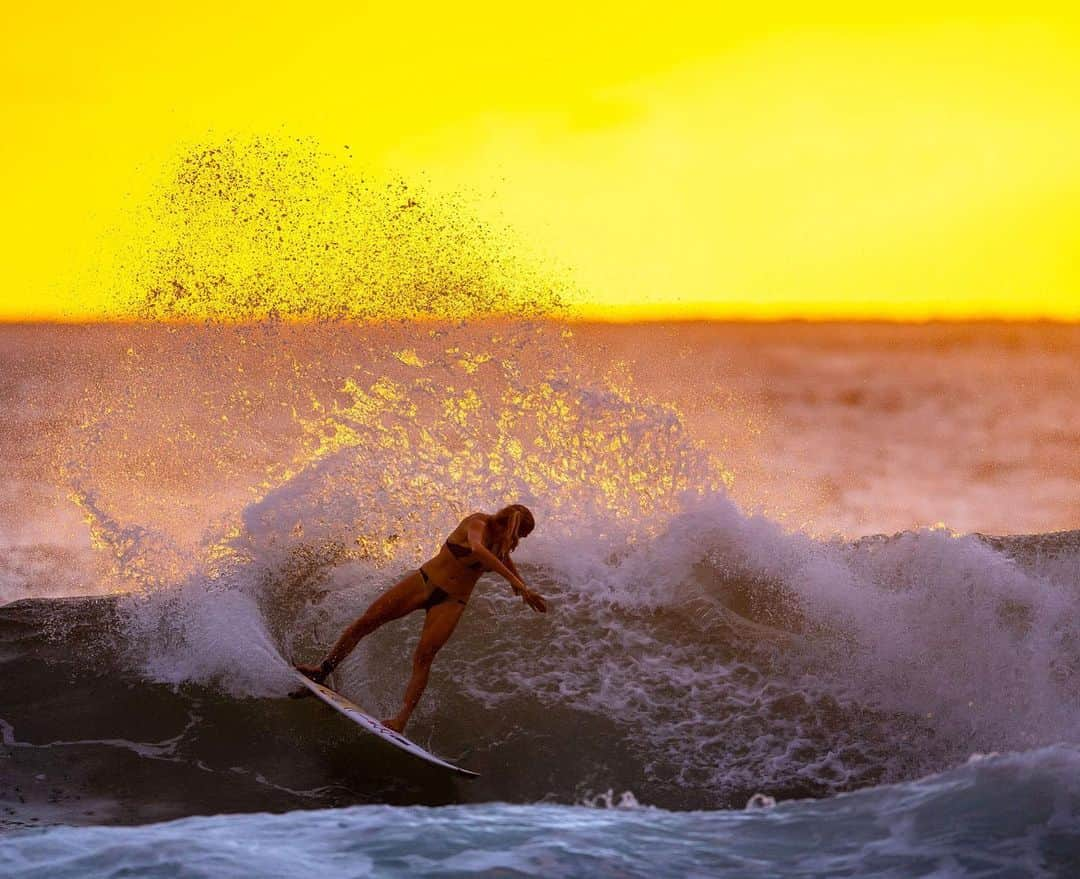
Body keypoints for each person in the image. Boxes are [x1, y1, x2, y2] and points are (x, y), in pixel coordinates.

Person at [294, 504, 545, 733]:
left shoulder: (500, 545)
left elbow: (501, 558)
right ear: (511, 527)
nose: (518, 542)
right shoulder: (477, 523)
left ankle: (400, 720)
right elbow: (477, 549)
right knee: (366, 623)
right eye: (520, 536)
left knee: (424, 657)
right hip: (424, 582)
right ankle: (322, 670)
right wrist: (517, 584)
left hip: (452, 602)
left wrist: (522, 586)